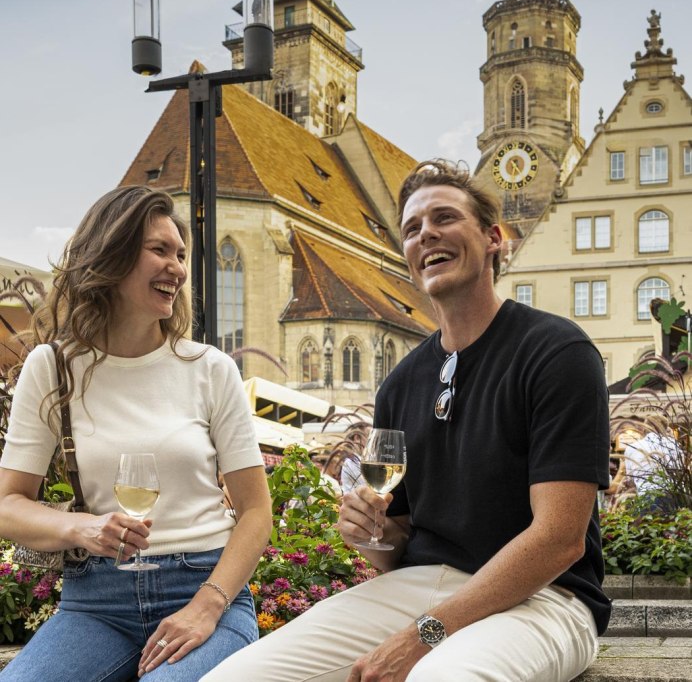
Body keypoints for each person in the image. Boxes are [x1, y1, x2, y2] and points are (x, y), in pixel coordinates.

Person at [202, 160, 611, 682]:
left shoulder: (556, 351)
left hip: (547, 597)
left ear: (493, 238)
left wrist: (424, 635)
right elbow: (396, 542)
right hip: (420, 588)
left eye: (444, 218)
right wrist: (367, 534)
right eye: (412, 229)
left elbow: (559, 540)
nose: (427, 235)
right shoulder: (402, 382)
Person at [0, 186, 272, 681]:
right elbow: (8, 504)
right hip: (94, 604)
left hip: (204, 589)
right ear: (112, 253)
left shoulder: (209, 369)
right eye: (160, 250)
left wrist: (208, 606)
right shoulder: (53, 367)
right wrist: (81, 528)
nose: (178, 268)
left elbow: (256, 512)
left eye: (182, 255)